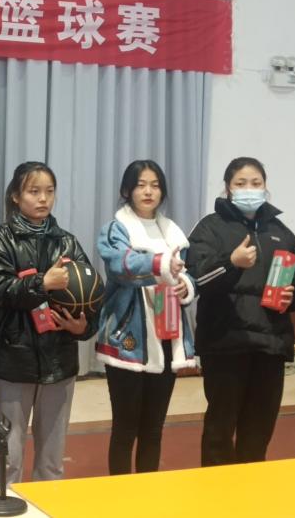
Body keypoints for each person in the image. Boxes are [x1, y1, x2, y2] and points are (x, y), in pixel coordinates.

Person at [185, 156, 295, 466]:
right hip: (225, 343)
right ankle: (216, 491)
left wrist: (293, 294)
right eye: (241, 183)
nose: (249, 189)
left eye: (256, 183)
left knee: (259, 431)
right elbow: (197, 276)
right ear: (228, 188)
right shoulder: (210, 227)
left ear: (265, 187)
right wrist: (231, 262)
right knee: (220, 429)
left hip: (270, 344)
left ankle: (251, 489)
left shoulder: (280, 232)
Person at [0, 161, 99, 487]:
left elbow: (91, 297)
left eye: (49, 191)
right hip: (12, 362)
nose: (43, 198)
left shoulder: (68, 243)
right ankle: (4, 505)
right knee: (8, 456)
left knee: (52, 460)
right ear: (16, 196)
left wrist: (82, 328)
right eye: (34, 191)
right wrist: (43, 283)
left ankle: (48, 507)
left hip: (59, 363)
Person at [95, 160, 197, 474]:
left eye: (155, 185)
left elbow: (190, 271)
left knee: (154, 428)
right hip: (129, 339)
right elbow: (119, 265)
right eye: (141, 185)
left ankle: (147, 493)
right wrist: (160, 265)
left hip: (167, 333)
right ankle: (120, 495)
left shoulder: (173, 232)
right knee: (125, 428)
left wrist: (186, 285)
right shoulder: (115, 228)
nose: (148, 191)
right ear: (127, 190)